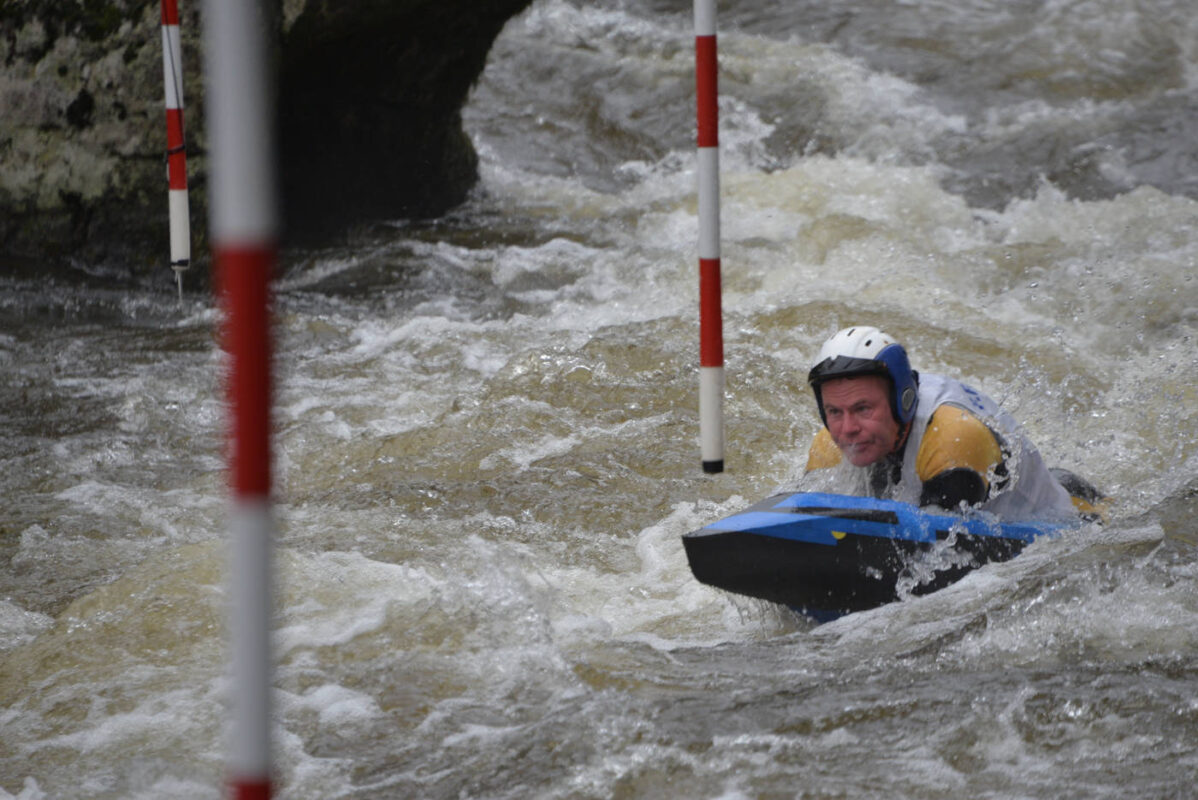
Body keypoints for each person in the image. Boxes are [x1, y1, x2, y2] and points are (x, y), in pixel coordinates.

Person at [803, 325, 1101, 520]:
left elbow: (931, 549)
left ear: (902, 400)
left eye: (863, 408)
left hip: (1070, 518)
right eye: (835, 411)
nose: (848, 429)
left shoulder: (954, 437)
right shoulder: (830, 441)